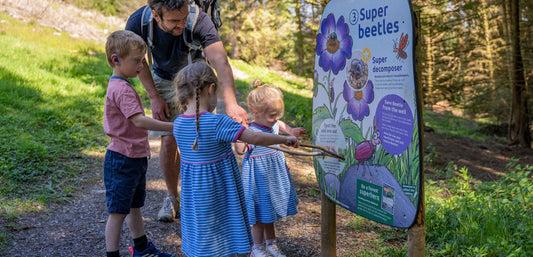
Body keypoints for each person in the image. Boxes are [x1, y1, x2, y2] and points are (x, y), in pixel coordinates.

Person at [125, 0, 249, 222]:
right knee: (169, 139)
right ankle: (172, 198)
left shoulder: (199, 18)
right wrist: (154, 97)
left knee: (205, 134)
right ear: (156, 15)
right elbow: (138, 60)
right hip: (163, 77)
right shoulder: (138, 22)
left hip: (196, 77)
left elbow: (220, 60)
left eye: (184, 18)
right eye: (174, 21)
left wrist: (231, 103)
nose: (181, 24)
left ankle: (209, 198)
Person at [172, 62, 299, 257]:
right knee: (225, 228)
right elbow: (255, 137)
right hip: (221, 191)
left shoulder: (178, 123)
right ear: (211, 88)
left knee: (203, 230)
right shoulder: (218, 122)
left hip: (194, 195)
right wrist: (285, 139)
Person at [103, 30, 175, 257]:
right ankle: (112, 254)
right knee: (117, 212)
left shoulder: (122, 84)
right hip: (122, 159)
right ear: (116, 60)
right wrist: (175, 126)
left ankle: (141, 248)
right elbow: (139, 121)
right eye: (136, 61)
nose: (141, 66)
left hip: (134, 157)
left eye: (143, 60)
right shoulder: (121, 89)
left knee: (134, 206)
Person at [240, 81, 306, 257]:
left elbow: (283, 127)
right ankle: (257, 247)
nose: (276, 119)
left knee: (269, 211)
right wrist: (241, 135)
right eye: (272, 115)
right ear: (255, 111)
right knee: (259, 214)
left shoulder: (274, 123)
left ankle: (271, 244)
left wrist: (292, 131)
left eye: (278, 115)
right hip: (258, 179)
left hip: (273, 176)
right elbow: (239, 150)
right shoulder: (251, 131)